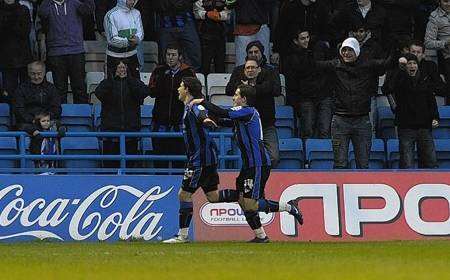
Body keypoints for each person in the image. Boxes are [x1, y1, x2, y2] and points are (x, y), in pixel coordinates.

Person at [193, 84, 303, 243]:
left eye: (236, 95)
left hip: (258, 165)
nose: (233, 97)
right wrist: (204, 117)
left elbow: (223, 112)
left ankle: (289, 206)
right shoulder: (241, 117)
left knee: (250, 204)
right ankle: (261, 236)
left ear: (244, 99)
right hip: (248, 166)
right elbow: (223, 120)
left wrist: (202, 101)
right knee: (243, 200)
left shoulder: (248, 111)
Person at [163, 77, 240, 244]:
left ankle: (182, 236)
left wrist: (205, 120)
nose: (178, 89)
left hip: (199, 161)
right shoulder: (188, 107)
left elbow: (201, 113)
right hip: (207, 158)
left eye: (181, 86)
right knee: (212, 196)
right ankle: (243, 196)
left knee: (183, 195)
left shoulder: (193, 106)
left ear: (187, 89)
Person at [310, 37, 396, 168]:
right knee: (340, 164)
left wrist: (395, 47)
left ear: (357, 51)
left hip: (362, 120)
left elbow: (387, 64)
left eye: (350, 50)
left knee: (363, 164)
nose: (346, 53)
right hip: (340, 120)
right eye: (344, 50)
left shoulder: (368, 65)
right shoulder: (335, 65)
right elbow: (313, 65)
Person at [226, 51, 280, 167]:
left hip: (266, 126)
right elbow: (228, 90)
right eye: (247, 68)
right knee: (245, 158)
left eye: (253, 67)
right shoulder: (239, 84)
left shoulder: (267, 80)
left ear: (259, 69)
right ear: (244, 70)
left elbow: (271, 89)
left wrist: (251, 87)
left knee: (274, 157)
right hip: (244, 127)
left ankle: (262, 177)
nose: (250, 70)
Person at [148, 44, 196, 169]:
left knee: (180, 162)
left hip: (180, 124)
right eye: (168, 54)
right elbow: (151, 91)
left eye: (173, 55)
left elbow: (195, 93)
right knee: (159, 162)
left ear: (179, 56)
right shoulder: (158, 71)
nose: (170, 57)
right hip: (160, 124)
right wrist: (164, 79)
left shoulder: (188, 72)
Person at [38, 0, 94, 104]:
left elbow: (88, 10)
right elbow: (42, 13)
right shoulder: (47, 5)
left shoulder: (75, 3)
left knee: (79, 88)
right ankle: (61, 117)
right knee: (59, 90)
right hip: (56, 53)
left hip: (76, 51)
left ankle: (81, 118)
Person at [94, 61, 148, 168]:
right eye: (119, 67)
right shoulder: (108, 83)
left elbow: (144, 92)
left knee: (129, 167)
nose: (121, 70)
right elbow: (99, 93)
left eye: (124, 67)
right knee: (110, 167)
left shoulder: (134, 83)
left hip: (130, 134)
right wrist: (110, 79)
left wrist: (130, 79)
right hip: (111, 134)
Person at [392, 54, 442, 169]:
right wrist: (400, 70)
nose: (412, 66)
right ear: (405, 66)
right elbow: (388, 87)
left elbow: (431, 102)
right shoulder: (400, 79)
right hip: (406, 128)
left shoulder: (425, 80)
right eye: (409, 63)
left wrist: (435, 117)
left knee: (431, 161)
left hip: (424, 127)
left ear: (418, 66)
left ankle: (432, 185)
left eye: (414, 63)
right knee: (407, 163)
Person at [284, 28, 333, 139]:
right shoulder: (292, 58)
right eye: (302, 38)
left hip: (323, 95)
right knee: (307, 131)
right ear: (296, 41)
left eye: (307, 37)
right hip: (305, 98)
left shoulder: (320, 49)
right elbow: (292, 82)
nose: (306, 40)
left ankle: (324, 155)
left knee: (325, 130)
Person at [152, 0, 202, 71]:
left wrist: (181, 4)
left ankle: (191, 78)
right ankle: (168, 79)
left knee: (194, 55)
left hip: (186, 22)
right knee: (167, 57)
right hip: (166, 23)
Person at [0, 0, 33, 104]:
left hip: (23, 57)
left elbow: (25, 32)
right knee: (9, 94)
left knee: (26, 93)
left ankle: (26, 118)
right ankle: (12, 119)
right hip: (6, 59)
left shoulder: (24, 10)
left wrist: (9, 24)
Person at [14, 61, 61, 130]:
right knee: (25, 127)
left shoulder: (51, 88)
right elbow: (18, 109)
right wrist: (32, 120)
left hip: (47, 121)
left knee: (56, 124)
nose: (36, 77)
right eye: (33, 74)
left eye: (39, 74)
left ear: (44, 73)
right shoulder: (21, 89)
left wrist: (45, 119)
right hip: (28, 123)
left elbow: (57, 108)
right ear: (28, 73)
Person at [104, 0, 144, 79]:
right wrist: (128, 42)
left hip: (132, 56)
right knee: (113, 86)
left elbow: (140, 33)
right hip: (114, 57)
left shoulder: (137, 13)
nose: (133, 2)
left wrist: (137, 39)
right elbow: (111, 39)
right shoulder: (111, 15)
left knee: (135, 85)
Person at [193, 0, 231, 75]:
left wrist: (218, 15)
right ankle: (203, 85)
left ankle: (220, 84)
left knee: (220, 64)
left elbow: (228, 13)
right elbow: (196, 12)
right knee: (205, 64)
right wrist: (207, 14)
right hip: (204, 35)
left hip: (220, 34)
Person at [425, 0, 450, 96]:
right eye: (446, 1)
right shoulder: (434, 17)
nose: (449, 4)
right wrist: (446, 42)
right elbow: (428, 43)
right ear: (439, 2)